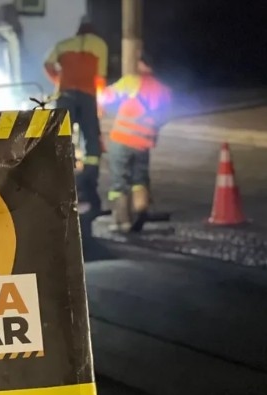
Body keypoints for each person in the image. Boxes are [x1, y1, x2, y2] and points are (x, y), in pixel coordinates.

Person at [98, 51, 172, 232]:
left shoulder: (132, 81)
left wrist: (98, 90)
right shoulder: (165, 91)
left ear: (143, 64)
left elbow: (105, 97)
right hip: (143, 143)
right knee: (140, 180)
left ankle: (122, 221)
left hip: (122, 140)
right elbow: (165, 117)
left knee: (119, 181)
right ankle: (140, 213)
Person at [43, 15, 107, 215]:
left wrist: (58, 80)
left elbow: (48, 64)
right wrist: (99, 104)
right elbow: (100, 78)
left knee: (62, 137)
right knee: (91, 140)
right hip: (87, 96)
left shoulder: (64, 44)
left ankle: (61, 179)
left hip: (65, 96)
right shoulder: (100, 45)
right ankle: (88, 183)